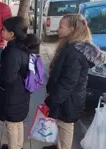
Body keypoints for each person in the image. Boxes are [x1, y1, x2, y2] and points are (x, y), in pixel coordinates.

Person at [43, 14, 106, 149]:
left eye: (61, 27)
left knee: (65, 128)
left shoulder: (73, 52)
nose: (58, 29)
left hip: (67, 100)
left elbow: (68, 82)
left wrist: (53, 99)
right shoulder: (70, 46)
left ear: (72, 29)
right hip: (68, 98)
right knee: (61, 126)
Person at [0, 16, 40, 149]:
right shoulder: (25, 47)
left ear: (12, 34)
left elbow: (8, 78)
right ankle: (18, 146)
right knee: (18, 122)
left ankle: (14, 146)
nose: (1, 32)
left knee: (11, 125)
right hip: (22, 93)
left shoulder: (12, 52)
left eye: (4, 30)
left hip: (12, 95)